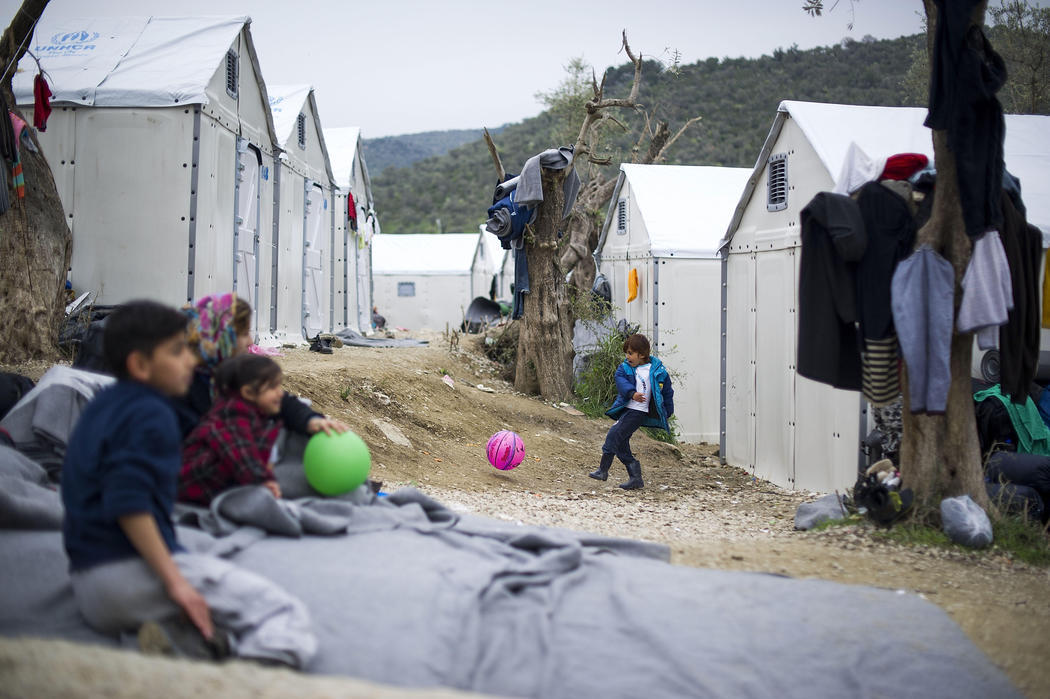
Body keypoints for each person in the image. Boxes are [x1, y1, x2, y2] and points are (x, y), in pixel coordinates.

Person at [61, 300, 317, 665]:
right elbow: (127, 501)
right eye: (178, 351)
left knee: (214, 618)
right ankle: (248, 684)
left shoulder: (104, 404)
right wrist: (176, 582)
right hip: (126, 570)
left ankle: (174, 644)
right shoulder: (152, 412)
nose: (191, 360)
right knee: (281, 613)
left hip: (86, 579)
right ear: (140, 364)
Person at [172, 293, 347, 439]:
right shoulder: (181, 390)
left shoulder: (233, 372)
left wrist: (310, 420)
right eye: (243, 333)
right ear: (220, 337)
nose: (249, 341)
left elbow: (283, 402)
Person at [179, 354, 285, 506]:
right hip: (194, 487)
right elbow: (241, 452)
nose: (280, 393)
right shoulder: (232, 413)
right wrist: (263, 480)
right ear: (248, 392)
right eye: (273, 387)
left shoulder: (253, 414)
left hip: (216, 487)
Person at [589, 333, 674, 490]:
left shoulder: (657, 371)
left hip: (638, 412)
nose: (627, 356)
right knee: (621, 443)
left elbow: (667, 392)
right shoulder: (625, 368)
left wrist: (667, 411)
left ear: (641, 354)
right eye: (626, 353)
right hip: (628, 409)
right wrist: (632, 393)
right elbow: (620, 380)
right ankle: (635, 478)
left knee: (614, 434)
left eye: (630, 353)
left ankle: (603, 470)